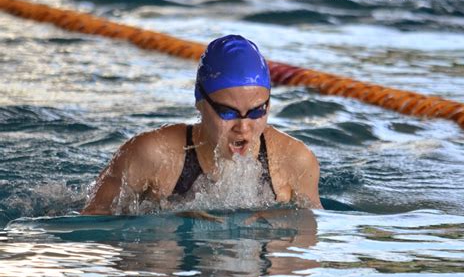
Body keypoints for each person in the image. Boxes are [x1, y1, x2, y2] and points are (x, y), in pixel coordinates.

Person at [82, 34, 322, 215]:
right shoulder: (152, 155)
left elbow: (317, 242)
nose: (244, 127)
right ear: (200, 102)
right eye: (228, 112)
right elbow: (93, 227)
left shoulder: (296, 162)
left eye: (257, 111)